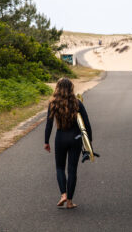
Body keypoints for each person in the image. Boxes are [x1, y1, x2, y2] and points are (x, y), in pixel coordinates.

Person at [44, 77, 92, 209]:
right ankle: (70, 201)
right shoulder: (77, 103)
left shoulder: (53, 103)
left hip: (60, 138)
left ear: (57, 88)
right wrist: (89, 144)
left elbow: (48, 124)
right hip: (75, 138)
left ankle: (63, 194)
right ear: (71, 88)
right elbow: (87, 124)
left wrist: (46, 141)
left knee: (60, 168)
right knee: (72, 170)